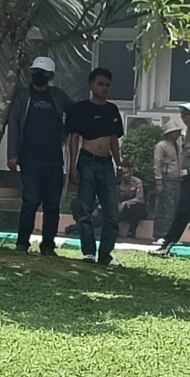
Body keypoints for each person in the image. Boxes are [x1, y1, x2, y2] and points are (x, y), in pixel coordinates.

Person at [64, 65, 126, 266]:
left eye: (107, 85)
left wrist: (119, 164)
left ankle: (105, 254)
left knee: (111, 211)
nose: (104, 88)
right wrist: (72, 166)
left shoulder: (112, 110)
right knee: (85, 209)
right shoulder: (80, 109)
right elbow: (74, 138)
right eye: (100, 84)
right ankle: (89, 251)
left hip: (106, 163)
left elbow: (114, 139)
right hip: (87, 161)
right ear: (91, 85)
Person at [10, 55, 69, 257]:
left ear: (50, 76)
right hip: (30, 158)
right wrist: (12, 154)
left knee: (52, 204)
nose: (38, 75)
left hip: (54, 159)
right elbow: (14, 125)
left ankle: (48, 246)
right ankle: (22, 243)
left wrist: (66, 133)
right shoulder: (23, 96)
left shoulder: (58, 96)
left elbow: (75, 114)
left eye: (43, 73)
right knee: (31, 200)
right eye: (36, 72)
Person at [149, 104, 190, 253]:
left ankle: (167, 244)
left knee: (182, 213)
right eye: (183, 115)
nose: (186, 118)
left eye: (189, 115)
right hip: (187, 177)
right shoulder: (187, 133)